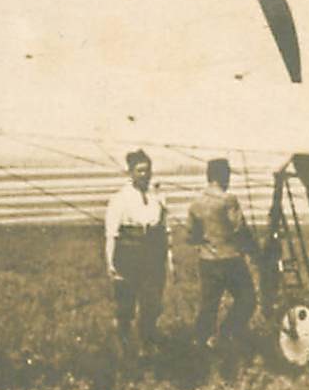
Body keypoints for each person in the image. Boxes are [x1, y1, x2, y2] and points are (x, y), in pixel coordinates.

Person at [104, 149, 171, 358]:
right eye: (140, 171)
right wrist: (110, 263)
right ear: (130, 172)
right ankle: (123, 348)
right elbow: (111, 234)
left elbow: (164, 229)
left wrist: (169, 258)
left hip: (152, 254)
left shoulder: (156, 198)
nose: (145, 175)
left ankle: (147, 346)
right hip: (128, 254)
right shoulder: (120, 199)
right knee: (126, 305)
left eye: (147, 170)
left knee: (152, 303)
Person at [186, 157, 258, 350]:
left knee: (209, 305)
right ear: (223, 175)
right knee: (247, 299)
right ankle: (226, 333)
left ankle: (200, 344)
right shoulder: (228, 200)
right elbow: (239, 228)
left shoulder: (196, 203)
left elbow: (191, 236)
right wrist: (254, 251)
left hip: (208, 261)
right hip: (231, 260)